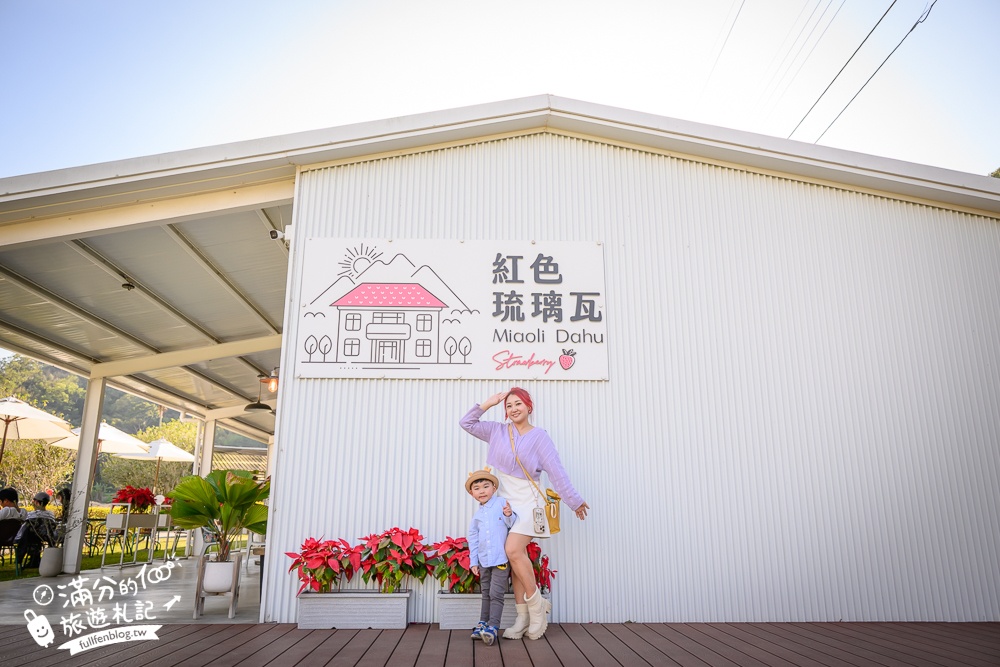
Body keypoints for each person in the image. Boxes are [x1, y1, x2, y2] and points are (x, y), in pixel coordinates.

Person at [460, 387, 589, 640]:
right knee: (514, 560)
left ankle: (537, 608)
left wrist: (574, 501)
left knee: (512, 550)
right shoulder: (497, 431)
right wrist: (489, 402)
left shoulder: (540, 436)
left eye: (518, 404)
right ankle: (521, 619)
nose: (513, 409)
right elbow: (467, 422)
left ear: (529, 407)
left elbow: (556, 471)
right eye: (508, 405)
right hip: (506, 505)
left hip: (530, 503)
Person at [465, 467, 516, 646]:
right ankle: (483, 623)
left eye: (486, 486)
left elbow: (513, 523)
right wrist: (474, 561)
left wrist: (509, 515)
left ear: (494, 488)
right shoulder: (477, 516)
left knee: (496, 594)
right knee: (485, 593)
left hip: (501, 560)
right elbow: (473, 540)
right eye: (477, 488)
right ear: (472, 493)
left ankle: (493, 626)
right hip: (484, 560)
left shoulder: (502, 503)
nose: (482, 491)